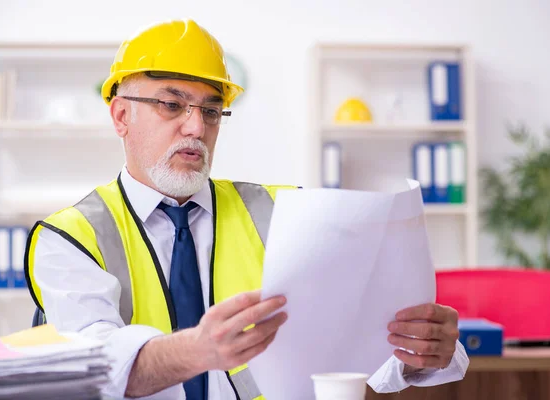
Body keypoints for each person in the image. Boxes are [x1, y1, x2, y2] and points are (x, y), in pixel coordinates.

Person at [24, 19, 468, 400]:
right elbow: (95, 367)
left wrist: (421, 354)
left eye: (212, 111)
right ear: (121, 116)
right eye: (172, 104)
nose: (196, 126)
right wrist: (197, 350)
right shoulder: (69, 236)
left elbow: (352, 336)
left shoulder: (286, 211)